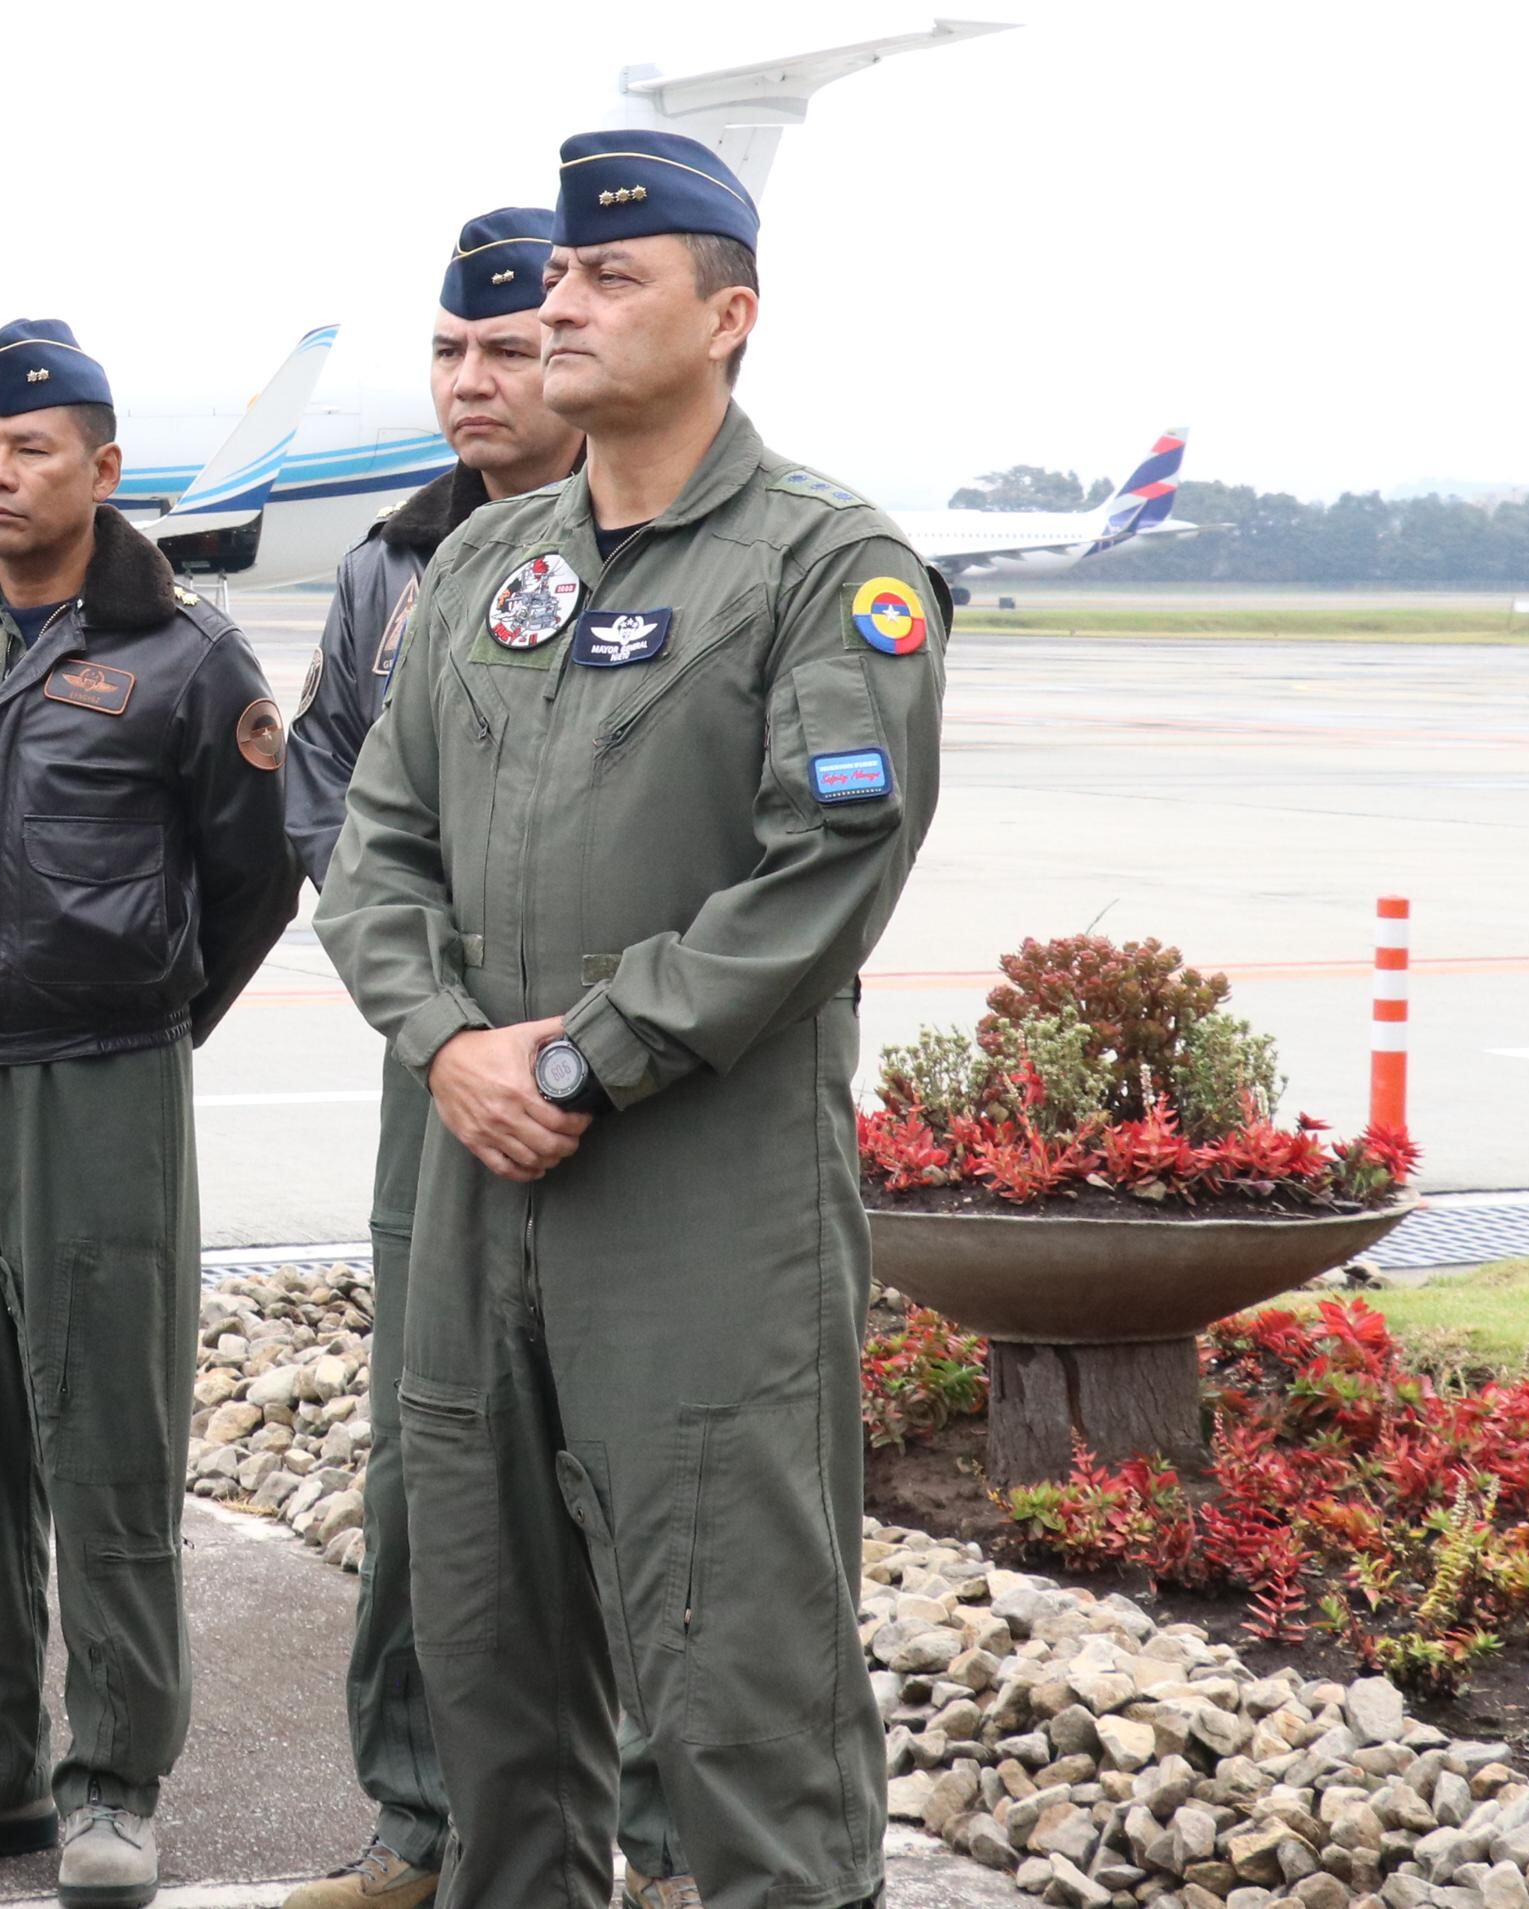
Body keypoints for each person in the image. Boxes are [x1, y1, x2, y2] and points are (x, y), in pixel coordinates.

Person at [318, 133, 946, 1909]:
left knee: (743, 1701)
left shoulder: (828, 564)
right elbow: (375, 849)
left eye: (614, 277)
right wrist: (450, 1043)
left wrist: (583, 1055)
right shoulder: (488, 570)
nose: (561, 302)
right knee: (493, 1689)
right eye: (559, 277)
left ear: (729, 316)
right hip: (475, 1186)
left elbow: (821, 870)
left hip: (694, 1217)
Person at [278, 216, 692, 1909]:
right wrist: (431, 1003)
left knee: (647, 1472)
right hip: (433, 1066)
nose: (471, 380)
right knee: (432, 1454)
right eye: (447, 350)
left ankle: (669, 1843)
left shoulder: (683, 548)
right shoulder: (395, 561)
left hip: (629, 1081)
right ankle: (421, 1819)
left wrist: (552, 1018)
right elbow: (327, 782)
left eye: (506, 347)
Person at [0, 320, 299, 1909]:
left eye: (32, 449)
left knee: (106, 1440)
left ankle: (113, 1777)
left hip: (105, 1078)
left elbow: (255, 874)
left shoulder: (185, 656)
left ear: (102, 470)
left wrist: (153, 1017)